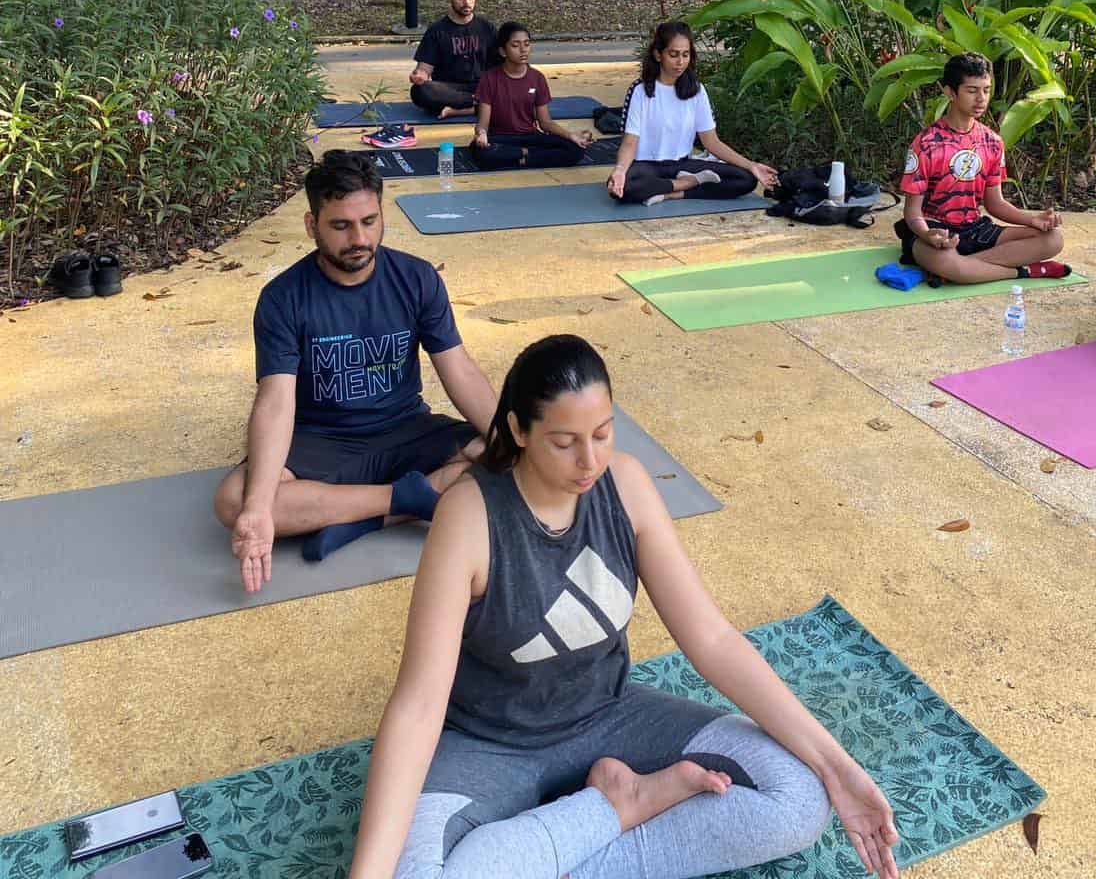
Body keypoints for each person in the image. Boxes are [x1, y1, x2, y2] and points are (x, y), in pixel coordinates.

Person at [347, 335, 900, 879]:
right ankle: (615, 806)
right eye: (564, 442)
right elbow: (419, 706)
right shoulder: (468, 516)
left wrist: (838, 769)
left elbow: (710, 639)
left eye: (603, 434)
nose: (589, 461)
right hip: (492, 742)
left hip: (611, 716)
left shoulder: (626, 486)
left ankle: (558, 843)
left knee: (801, 795)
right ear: (517, 429)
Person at [213, 151, 498, 590]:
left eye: (369, 221)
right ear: (313, 227)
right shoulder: (283, 298)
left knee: (503, 458)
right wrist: (255, 508)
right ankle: (408, 498)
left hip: (407, 427)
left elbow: (459, 370)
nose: (359, 238)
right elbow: (275, 401)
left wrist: (510, 445)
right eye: (341, 226)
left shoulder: (417, 279)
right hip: (321, 439)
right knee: (235, 502)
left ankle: (364, 516)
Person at [896, 52, 1071, 283]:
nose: (981, 98)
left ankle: (965, 270)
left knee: (1053, 239)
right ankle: (1024, 270)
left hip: (976, 230)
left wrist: (1032, 219)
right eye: (972, 90)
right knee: (945, 261)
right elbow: (912, 213)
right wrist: (927, 234)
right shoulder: (926, 143)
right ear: (950, 92)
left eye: (986, 90)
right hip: (936, 231)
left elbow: (995, 204)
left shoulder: (992, 141)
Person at [606, 21, 777, 205]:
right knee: (622, 189)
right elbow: (630, 142)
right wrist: (620, 170)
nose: (680, 62)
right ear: (658, 54)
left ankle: (671, 193)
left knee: (746, 180)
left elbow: (711, 142)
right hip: (647, 166)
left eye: (685, 55)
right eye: (673, 55)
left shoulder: (696, 90)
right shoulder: (640, 91)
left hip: (682, 164)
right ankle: (689, 183)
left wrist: (752, 166)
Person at [471, 22, 592, 170]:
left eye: (527, 44)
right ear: (503, 51)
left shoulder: (537, 78)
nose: (523, 50)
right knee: (480, 151)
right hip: (501, 139)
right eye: (515, 45)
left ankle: (521, 158)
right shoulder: (489, 78)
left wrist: (570, 135)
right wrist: (481, 134)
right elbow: (482, 124)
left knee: (576, 150)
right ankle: (529, 156)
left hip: (531, 137)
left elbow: (546, 123)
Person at [409, 0, 497, 118]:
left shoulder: (486, 27)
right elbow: (424, 69)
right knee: (420, 91)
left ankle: (462, 109)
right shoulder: (437, 30)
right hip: (450, 89)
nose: (467, 2)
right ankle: (482, 104)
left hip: (482, 86)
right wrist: (419, 76)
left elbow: (500, 65)